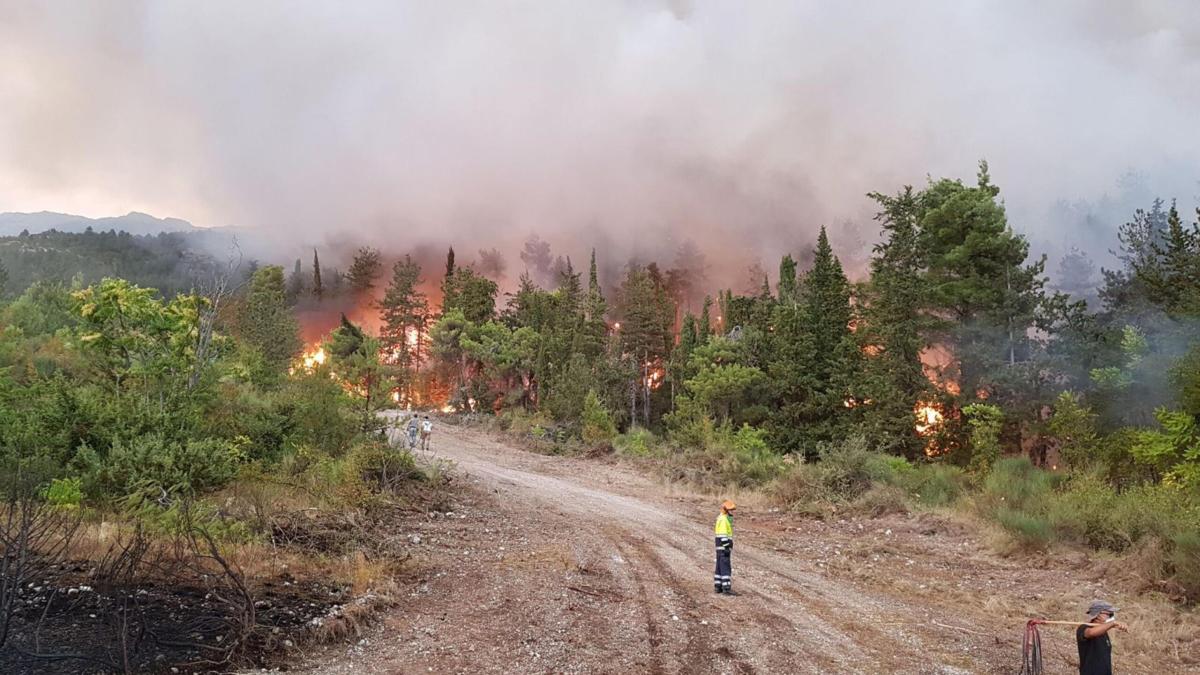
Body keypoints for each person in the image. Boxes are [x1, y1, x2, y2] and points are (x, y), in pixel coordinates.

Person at [1077, 600, 1126, 675]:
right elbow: (1090, 633)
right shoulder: (1083, 628)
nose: (1111, 617)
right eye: (1109, 614)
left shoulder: (1103, 632)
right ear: (1098, 614)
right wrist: (1112, 623)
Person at [714, 499, 735, 594]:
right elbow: (723, 535)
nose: (732, 513)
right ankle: (726, 588)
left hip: (720, 548)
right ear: (726, 510)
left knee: (719, 566)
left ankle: (718, 586)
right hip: (723, 548)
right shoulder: (723, 520)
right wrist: (727, 547)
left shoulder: (721, 518)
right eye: (730, 510)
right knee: (725, 566)